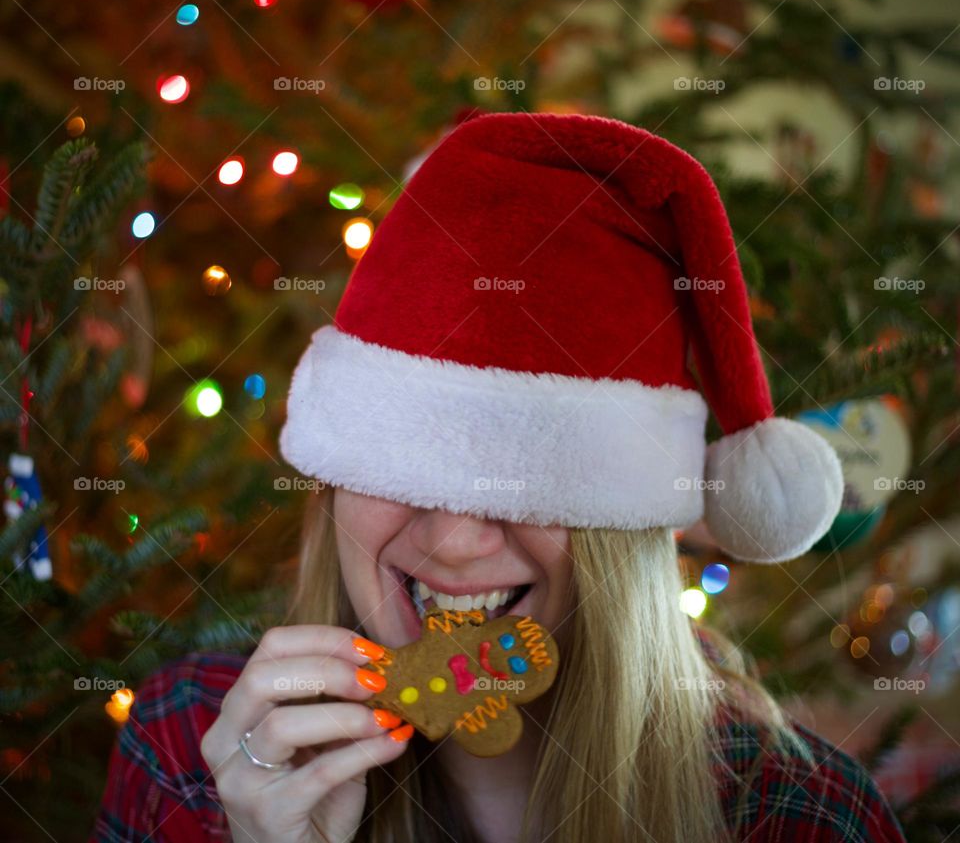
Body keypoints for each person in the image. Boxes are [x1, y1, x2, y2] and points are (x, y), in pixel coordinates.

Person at [91, 111, 907, 842]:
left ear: (623, 522)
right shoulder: (193, 750)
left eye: (527, 480)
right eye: (402, 460)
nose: (451, 543)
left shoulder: (802, 816)